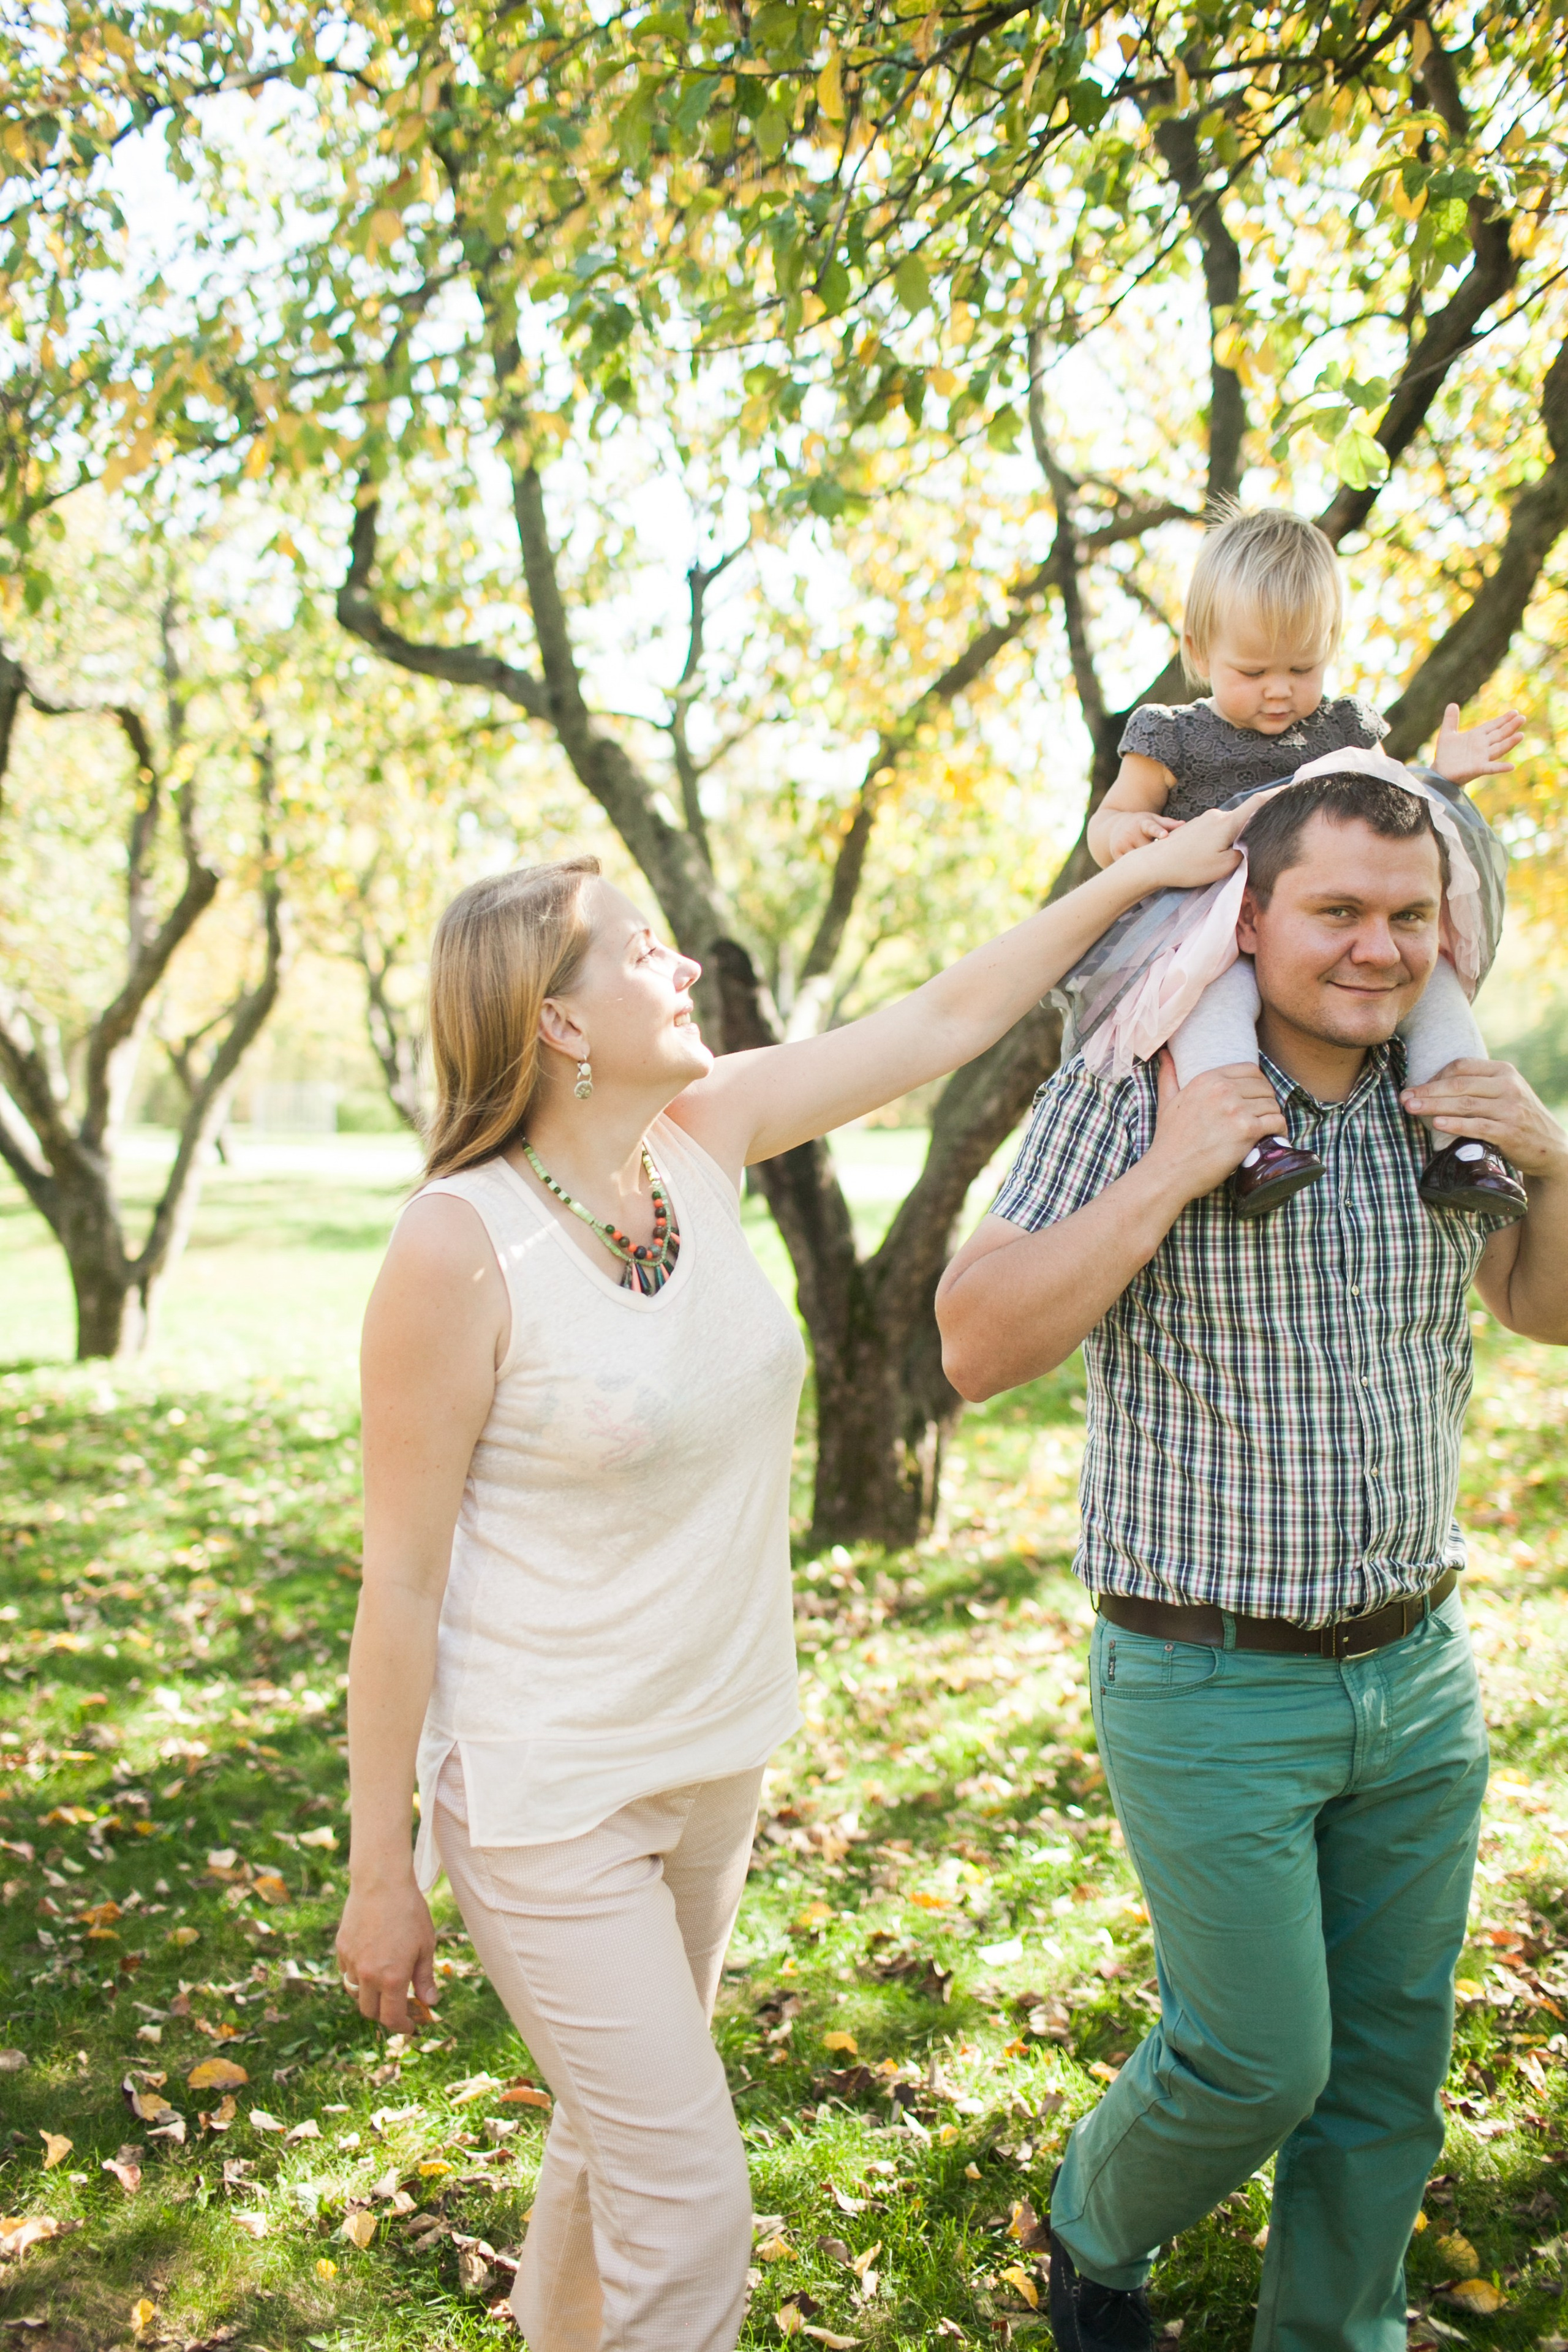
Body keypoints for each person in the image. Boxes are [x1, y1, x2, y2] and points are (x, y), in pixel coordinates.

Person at [333, 813, 1245, 2352]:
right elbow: (400, 1580)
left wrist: (1139, 878)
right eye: (637, 948)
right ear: (557, 1019)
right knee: (688, 2212)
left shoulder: (699, 1140)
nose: (680, 958)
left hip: (712, 1754)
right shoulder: (457, 1246)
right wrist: (380, 1868)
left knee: (610, 2134)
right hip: (546, 1795)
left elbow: (947, 1015)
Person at [937, 767, 1568, 2352]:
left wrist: (1554, 1159)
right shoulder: (1140, 1076)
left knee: (1385, 2071)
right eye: (1339, 912)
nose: (1377, 949)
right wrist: (1168, 1173)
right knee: (1255, 2060)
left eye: (1409, 916)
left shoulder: (1456, 1101)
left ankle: (1334, 2333)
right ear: (1254, 916)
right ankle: (1097, 2227)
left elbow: (1546, 1310)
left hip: (1419, 1677)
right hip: (1208, 1675)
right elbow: (974, 1346)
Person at [1086, 506, 1525, 1217]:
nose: (1279, 690)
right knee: (1210, 1005)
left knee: (1436, 990)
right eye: (1252, 670)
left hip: (1320, 924)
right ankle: (1252, 1148)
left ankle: (1464, 1146)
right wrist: (1129, 833)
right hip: (1209, 929)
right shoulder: (1170, 736)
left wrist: (1442, 777)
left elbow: (1389, 813)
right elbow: (1105, 823)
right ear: (1198, 651)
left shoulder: (1344, 728)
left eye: (1302, 667)